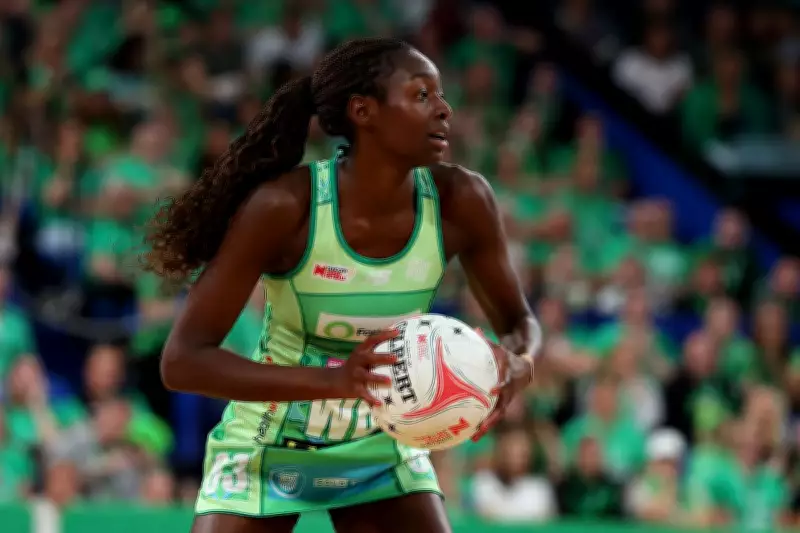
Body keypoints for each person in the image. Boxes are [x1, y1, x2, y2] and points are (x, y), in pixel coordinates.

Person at [144, 38, 540, 533]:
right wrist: (335, 381)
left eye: (440, 96)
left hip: (381, 448)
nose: (444, 109)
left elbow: (519, 323)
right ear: (363, 111)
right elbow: (182, 361)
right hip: (269, 443)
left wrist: (520, 362)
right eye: (422, 95)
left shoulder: (463, 201)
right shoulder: (285, 207)